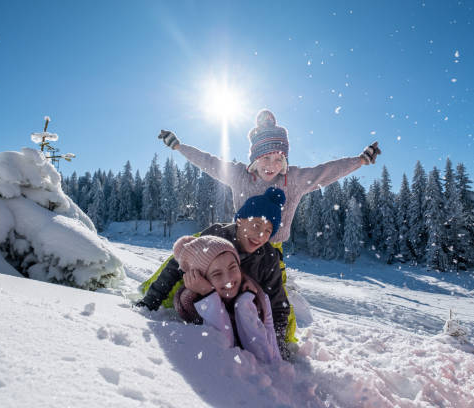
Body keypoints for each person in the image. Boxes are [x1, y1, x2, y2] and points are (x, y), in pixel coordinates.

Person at [158, 109, 381, 343]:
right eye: (265, 158)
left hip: (271, 249)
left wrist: (360, 160)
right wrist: (179, 147)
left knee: (274, 298)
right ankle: (159, 301)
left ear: (285, 160)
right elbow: (209, 162)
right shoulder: (239, 175)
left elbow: (325, 172)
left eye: (278, 159)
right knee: (186, 256)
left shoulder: (292, 179)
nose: (271, 165)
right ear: (255, 158)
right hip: (232, 241)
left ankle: (282, 342)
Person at [136, 187, 292, 358]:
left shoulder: (268, 257)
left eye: (268, 231)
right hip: (207, 302)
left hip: (240, 313)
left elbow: (278, 304)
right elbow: (176, 266)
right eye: (256, 225)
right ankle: (207, 334)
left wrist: (277, 344)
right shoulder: (218, 235)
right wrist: (150, 301)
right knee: (186, 295)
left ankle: (237, 339)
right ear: (240, 220)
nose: (260, 235)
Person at [171, 234, 280, 364]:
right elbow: (223, 348)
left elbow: (267, 357)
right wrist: (209, 296)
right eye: (216, 274)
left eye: (232, 267)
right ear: (203, 279)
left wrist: (244, 305)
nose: (228, 280)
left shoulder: (257, 296)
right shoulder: (192, 305)